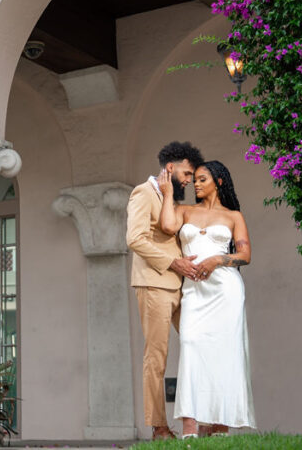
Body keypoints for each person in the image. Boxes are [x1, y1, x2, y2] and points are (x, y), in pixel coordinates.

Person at [157, 160, 256, 437]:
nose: (196, 184)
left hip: (225, 290)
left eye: (202, 179)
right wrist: (167, 194)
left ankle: (219, 428)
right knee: (190, 345)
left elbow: (245, 255)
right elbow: (167, 226)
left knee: (224, 354)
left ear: (219, 181)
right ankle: (190, 427)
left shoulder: (233, 216)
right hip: (195, 291)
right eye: (195, 180)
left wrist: (216, 259)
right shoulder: (184, 210)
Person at [126, 141, 204, 441]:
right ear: (170, 167)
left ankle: (204, 420)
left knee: (201, 344)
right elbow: (136, 239)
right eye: (186, 173)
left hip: (182, 288)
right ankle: (159, 428)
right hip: (154, 283)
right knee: (156, 357)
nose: (188, 180)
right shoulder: (143, 192)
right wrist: (175, 263)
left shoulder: (170, 197)